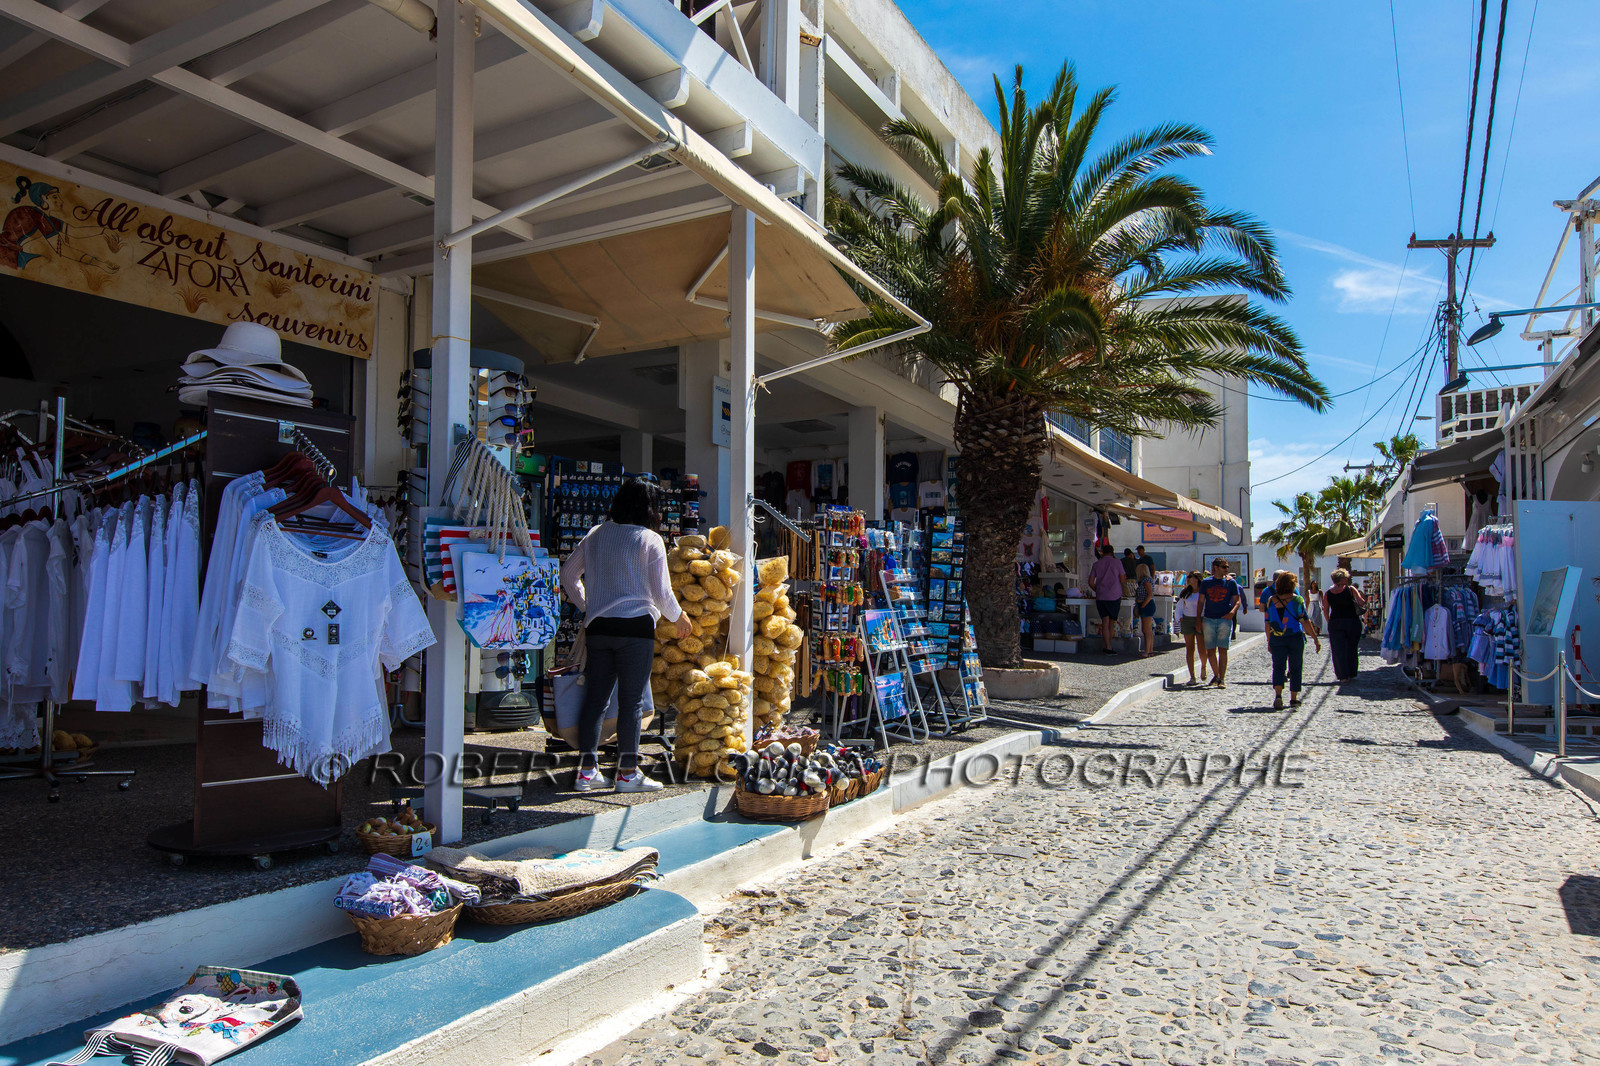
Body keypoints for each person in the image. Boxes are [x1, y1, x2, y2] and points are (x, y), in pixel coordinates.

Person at [559, 478, 690, 793]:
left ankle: (587, 773)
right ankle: (627, 774)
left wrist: (589, 605)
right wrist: (679, 616)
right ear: (650, 509)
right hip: (635, 629)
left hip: (599, 628)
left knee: (596, 699)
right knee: (631, 701)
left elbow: (567, 575)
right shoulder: (649, 538)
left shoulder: (595, 534)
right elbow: (662, 593)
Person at [1264, 571, 1321, 709]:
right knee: (1295, 667)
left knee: (1278, 667)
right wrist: (1315, 639)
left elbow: (1267, 622)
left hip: (1277, 638)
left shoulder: (1271, 600)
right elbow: (1306, 622)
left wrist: (1269, 640)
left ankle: (1278, 695)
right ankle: (1294, 698)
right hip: (1295, 637)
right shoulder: (1297, 601)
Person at [1199, 559, 1243, 687]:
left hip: (1225, 619)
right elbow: (1201, 602)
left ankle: (1221, 678)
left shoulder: (1231, 583)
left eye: (1227, 567)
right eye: (1224, 567)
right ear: (1216, 568)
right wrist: (1198, 618)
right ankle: (1217, 675)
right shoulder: (1206, 583)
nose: (1226, 569)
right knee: (1211, 651)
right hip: (1209, 618)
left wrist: (1232, 612)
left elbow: (1237, 601)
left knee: (1223, 649)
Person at [1322, 568, 1367, 682]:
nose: (1348, 579)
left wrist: (1329, 622)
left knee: (1338, 650)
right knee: (1351, 648)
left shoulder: (1328, 593)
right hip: (1352, 621)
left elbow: (1325, 609)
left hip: (1335, 622)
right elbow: (1362, 602)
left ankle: (1342, 676)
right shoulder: (1351, 589)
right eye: (1346, 577)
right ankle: (1351, 673)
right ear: (1342, 578)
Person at [1089, 545, 1126, 655]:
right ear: (1112, 552)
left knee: (1104, 621)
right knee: (1111, 622)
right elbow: (1123, 578)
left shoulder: (1096, 564)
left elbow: (1090, 582)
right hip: (1115, 595)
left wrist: (1098, 589)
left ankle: (1108, 646)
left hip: (1101, 596)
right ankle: (1110, 645)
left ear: (1102, 552)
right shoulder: (1117, 562)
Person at [1176, 571, 1208, 684]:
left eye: (1191, 577)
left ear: (1197, 579)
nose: (1188, 579)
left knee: (1202, 648)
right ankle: (1192, 676)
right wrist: (1179, 617)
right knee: (1190, 649)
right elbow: (1180, 606)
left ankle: (1204, 666)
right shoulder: (1186, 593)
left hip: (1201, 619)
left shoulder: (1203, 592)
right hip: (1188, 620)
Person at [1134, 563, 1156, 658]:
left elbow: (1150, 594)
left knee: (1146, 629)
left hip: (1146, 605)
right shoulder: (1147, 580)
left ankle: (1147, 651)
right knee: (1148, 630)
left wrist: (1143, 605)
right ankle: (1150, 650)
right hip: (1146, 605)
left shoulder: (1146, 581)